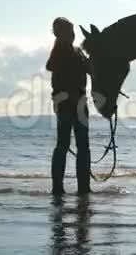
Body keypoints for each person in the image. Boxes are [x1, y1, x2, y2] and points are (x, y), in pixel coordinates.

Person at [46, 17, 91, 195]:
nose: (71, 35)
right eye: (67, 32)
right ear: (59, 34)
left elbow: (90, 68)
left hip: (79, 102)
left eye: (72, 32)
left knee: (82, 146)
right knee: (63, 145)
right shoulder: (58, 52)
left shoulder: (77, 51)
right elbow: (50, 66)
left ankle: (84, 188)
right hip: (65, 103)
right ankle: (58, 188)